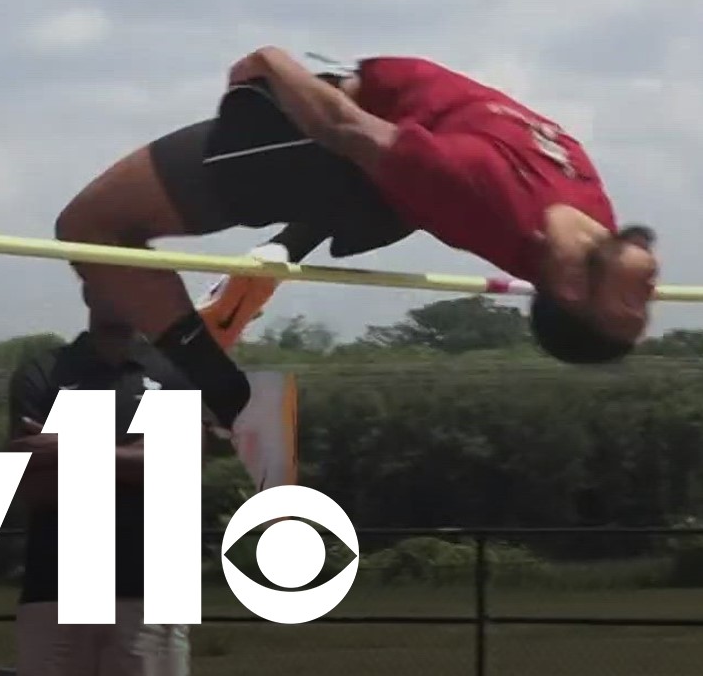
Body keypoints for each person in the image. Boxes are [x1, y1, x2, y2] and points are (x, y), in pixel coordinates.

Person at [55, 47, 660, 426]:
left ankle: (220, 392)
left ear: (573, 287)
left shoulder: (475, 191)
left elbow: (343, 128)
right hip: (375, 155)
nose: (650, 294)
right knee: (378, 180)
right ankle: (281, 252)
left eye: (631, 308)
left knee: (89, 228)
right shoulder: (592, 207)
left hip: (314, 145)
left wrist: (270, 61)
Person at [5, 289, 194, 676]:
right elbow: (35, 488)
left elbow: (170, 470)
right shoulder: (43, 373)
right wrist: (131, 457)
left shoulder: (171, 372)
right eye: (111, 277)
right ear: (89, 288)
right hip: (55, 589)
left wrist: (67, 447)